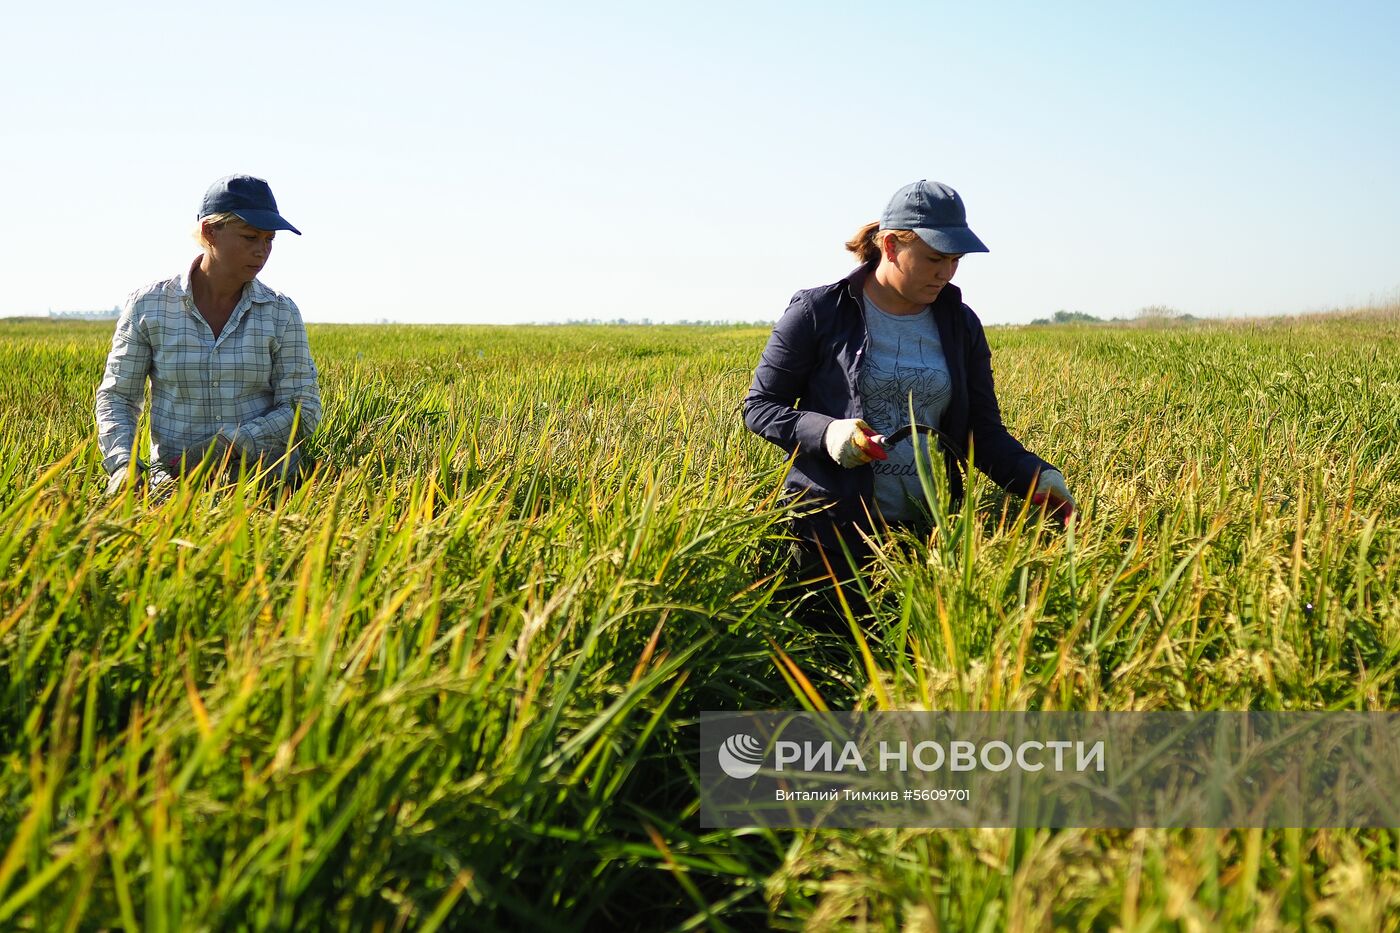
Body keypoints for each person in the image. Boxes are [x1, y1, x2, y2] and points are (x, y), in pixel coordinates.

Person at [743, 179, 1075, 616]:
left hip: (926, 535)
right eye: (935, 259)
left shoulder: (960, 325)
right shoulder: (819, 311)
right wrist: (828, 434)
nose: (946, 273)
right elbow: (760, 407)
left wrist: (1036, 476)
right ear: (891, 246)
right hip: (829, 534)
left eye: (955, 260)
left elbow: (981, 432)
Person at [96, 175, 321, 493]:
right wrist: (124, 466)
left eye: (269, 240)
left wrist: (232, 443)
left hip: (266, 485)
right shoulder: (150, 306)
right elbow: (117, 397)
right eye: (249, 237)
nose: (262, 251)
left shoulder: (280, 312)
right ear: (209, 231)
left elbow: (303, 407)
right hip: (174, 485)